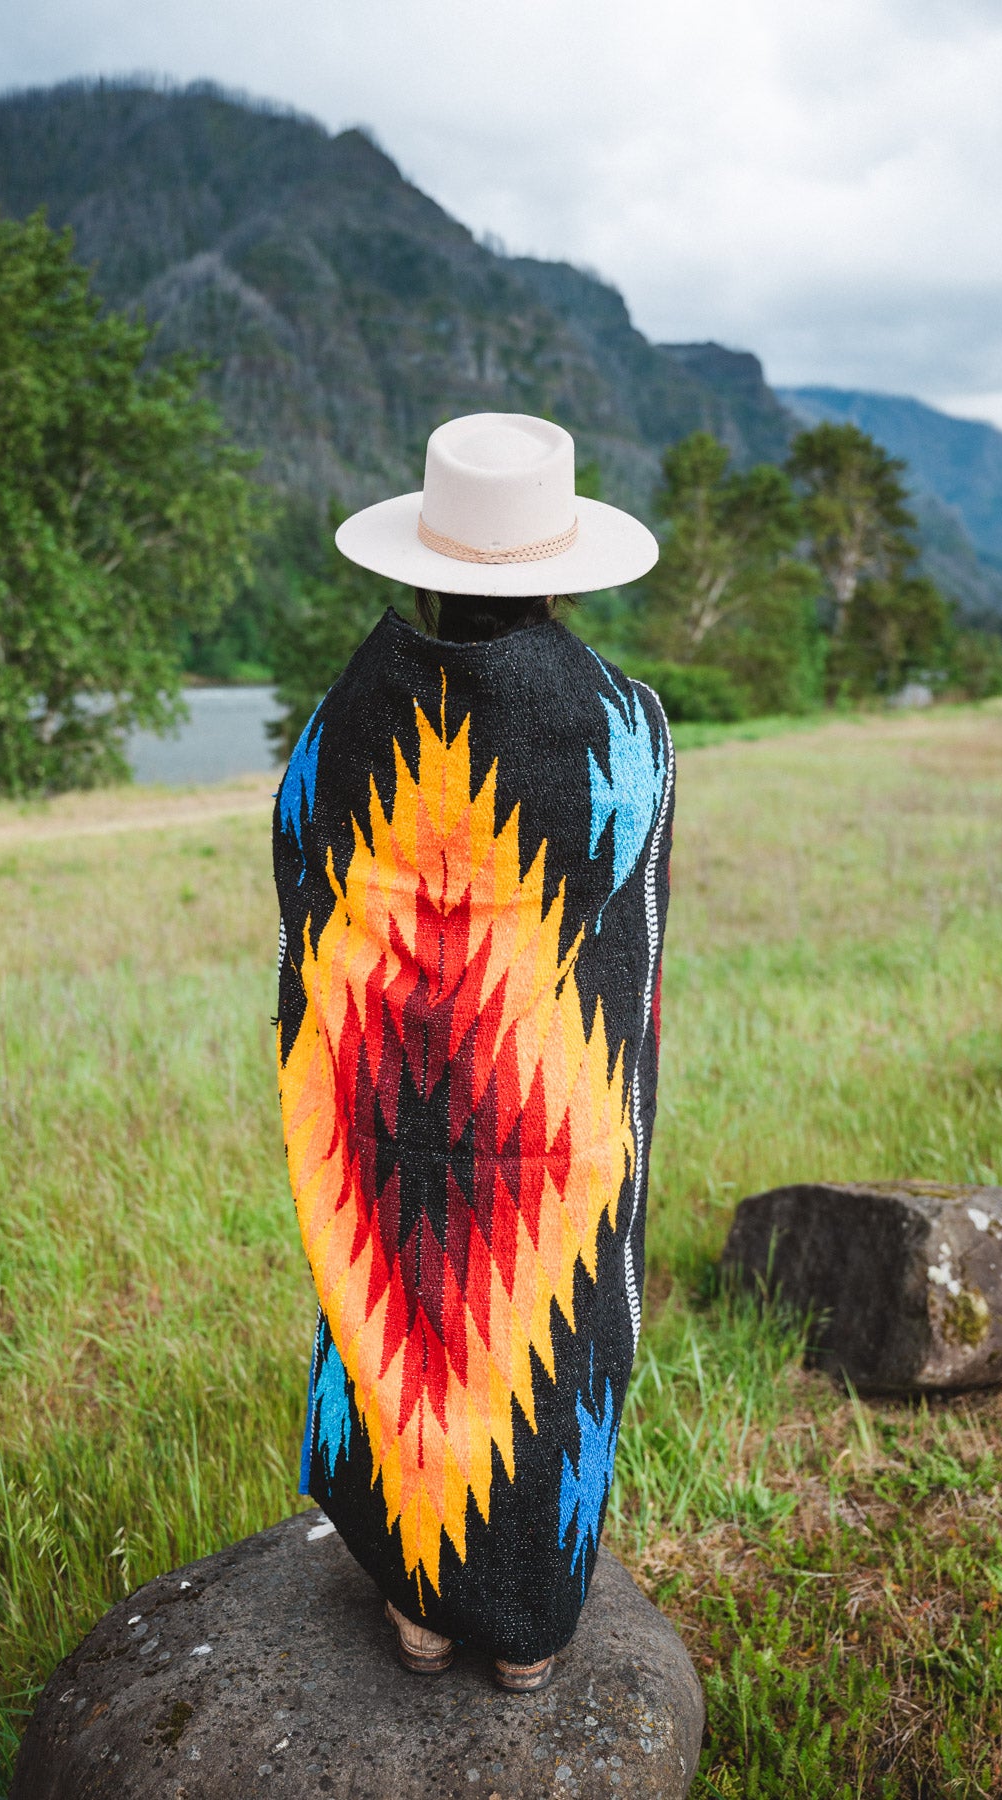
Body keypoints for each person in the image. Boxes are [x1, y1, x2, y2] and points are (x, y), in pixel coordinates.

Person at [273, 412, 674, 1691]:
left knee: (398, 1318)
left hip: (382, 1116)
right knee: (544, 1343)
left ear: (422, 565)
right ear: (559, 571)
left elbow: (303, 878)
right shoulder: (626, 727)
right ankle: (533, 1624)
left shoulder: (344, 720)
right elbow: (625, 940)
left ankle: (419, 1601)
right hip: (558, 1117)